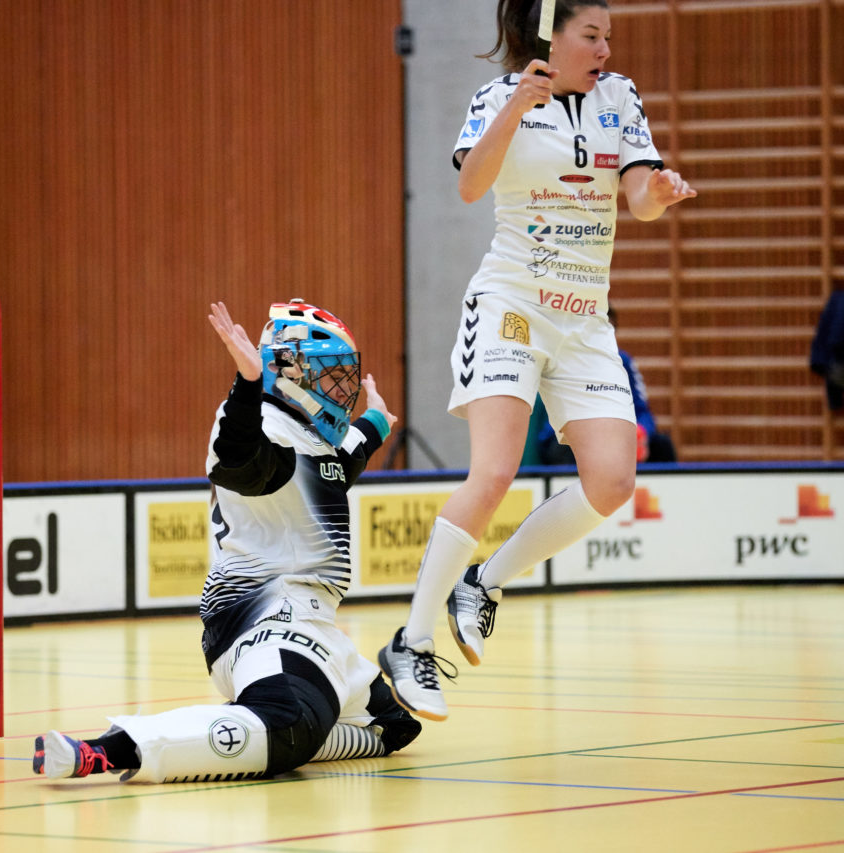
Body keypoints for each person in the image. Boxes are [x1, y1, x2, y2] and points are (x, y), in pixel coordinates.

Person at [377, 0, 697, 721]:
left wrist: (662, 191)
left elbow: (639, 196)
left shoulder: (621, 98)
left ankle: (483, 582)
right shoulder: (499, 96)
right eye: (592, 34)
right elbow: (468, 185)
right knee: (494, 472)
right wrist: (517, 106)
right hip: (513, 303)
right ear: (553, 34)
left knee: (613, 480)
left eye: (609, 36)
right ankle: (411, 641)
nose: (606, 48)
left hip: (585, 318)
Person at [34, 299, 421, 782]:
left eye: (345, 376)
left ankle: (271, 730)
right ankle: (112, 748)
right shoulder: (260, 425)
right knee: (288, 725)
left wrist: (377, 422)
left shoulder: (309, 436)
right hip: (266, 623)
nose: (342, 390)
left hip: (315, 626)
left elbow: (341, 462)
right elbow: (238, 459)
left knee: (394, 727)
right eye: (331, 375)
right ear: (291, 370)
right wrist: (247, 382)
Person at [535, 306, 676, 465]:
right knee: (565, 450)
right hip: (571, 437)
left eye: (608, 329)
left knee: (662, 446)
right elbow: (557, 418)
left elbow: (642, 410)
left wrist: (641, 431)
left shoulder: (624, 362)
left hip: (615, 434)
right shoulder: (565, 360)